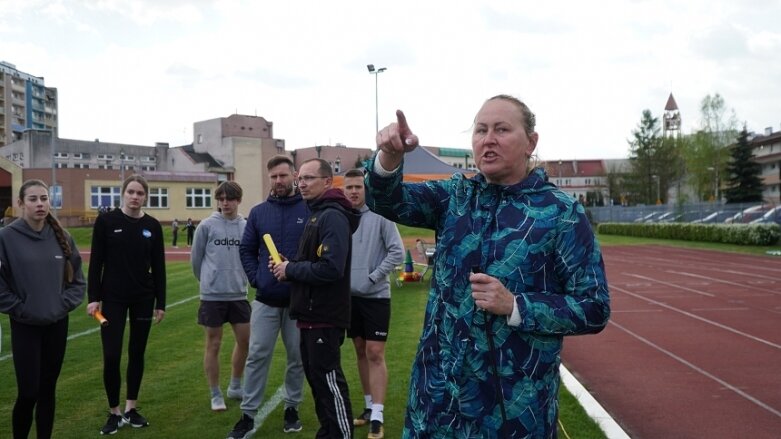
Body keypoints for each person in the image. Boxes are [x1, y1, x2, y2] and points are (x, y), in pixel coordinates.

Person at [366, 96, 611, 438]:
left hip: (513, 413)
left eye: (502, 129)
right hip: (437, 405)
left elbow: (594, 307)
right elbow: (385, 200)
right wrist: (390, 156)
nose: (488, 138)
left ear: (531, 142)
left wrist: (516, 305)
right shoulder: (455, 196)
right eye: (481, 130)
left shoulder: (561, 214)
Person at [271, 158, 360, 439]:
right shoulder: (316, 213)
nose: (302, 184)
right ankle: (328, 433)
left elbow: (331, 268)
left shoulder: (331, 215)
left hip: (324, 314)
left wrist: (291, 269)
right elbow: (315, 260)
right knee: (318, 382)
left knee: (329, 381)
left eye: (309, 178)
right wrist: (291, 265)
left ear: (327, 181)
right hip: (310, 314)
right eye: (301, 178)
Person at [226, 155, 309, 438]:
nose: (278, 181)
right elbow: (247, 250)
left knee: (297, 357)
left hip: (298, 299)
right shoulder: (260, 212)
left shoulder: (309, 209)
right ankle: (248, 414)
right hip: (265, 299)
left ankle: (292, 409)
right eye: (273, 177)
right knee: (257, 355)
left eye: (283, 176)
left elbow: (316, 252)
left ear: (294, 176)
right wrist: (256, 277)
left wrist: (297, 270)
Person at [0, 179, 86, 439]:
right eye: (33, 199)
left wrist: (61, 306)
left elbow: (78, 283)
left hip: (56, 325)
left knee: (48, 391)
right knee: (28, 392)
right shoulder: (6, 238)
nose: (40, 204)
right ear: (20, 204)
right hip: (25, 325)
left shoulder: (62, 236)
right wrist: (21, 309)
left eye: (44, 198)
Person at [86, 175, 166, 436]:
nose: (135, 196)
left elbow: (160, 267)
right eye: (131, 192)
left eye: (140, 193)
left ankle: (131, 408)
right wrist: (93, 298)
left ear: (145, 196)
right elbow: (96, 262)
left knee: (137, 352)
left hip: (143, 297)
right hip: (112, 299)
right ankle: (114, 412)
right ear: (123, 194)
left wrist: (160, 302)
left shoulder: (152, 226)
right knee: (111, 355)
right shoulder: (106, 221)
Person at [342, 168, 404, 439]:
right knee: (359, 349)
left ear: (366, 188)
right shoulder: (342, 217)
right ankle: (368, 406)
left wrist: (373, 277)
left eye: (358, 186)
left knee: (375, 353)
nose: (354, 191)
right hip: (350, 298)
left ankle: (378, 414)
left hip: (376, 297)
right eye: (349, 187)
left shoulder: (381, 214)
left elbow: (397, 252)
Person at [191, 182, 250, 412]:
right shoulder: (206, 226)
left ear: (238, 200)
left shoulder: (246, 226)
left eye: (230, 198)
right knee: (213, 344)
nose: (225, 203)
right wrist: (208, 282)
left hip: (238, 294)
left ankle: (235, 385)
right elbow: (196, 261)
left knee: (245, 341)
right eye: (222, 198)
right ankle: (215, 393)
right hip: (213, 296)